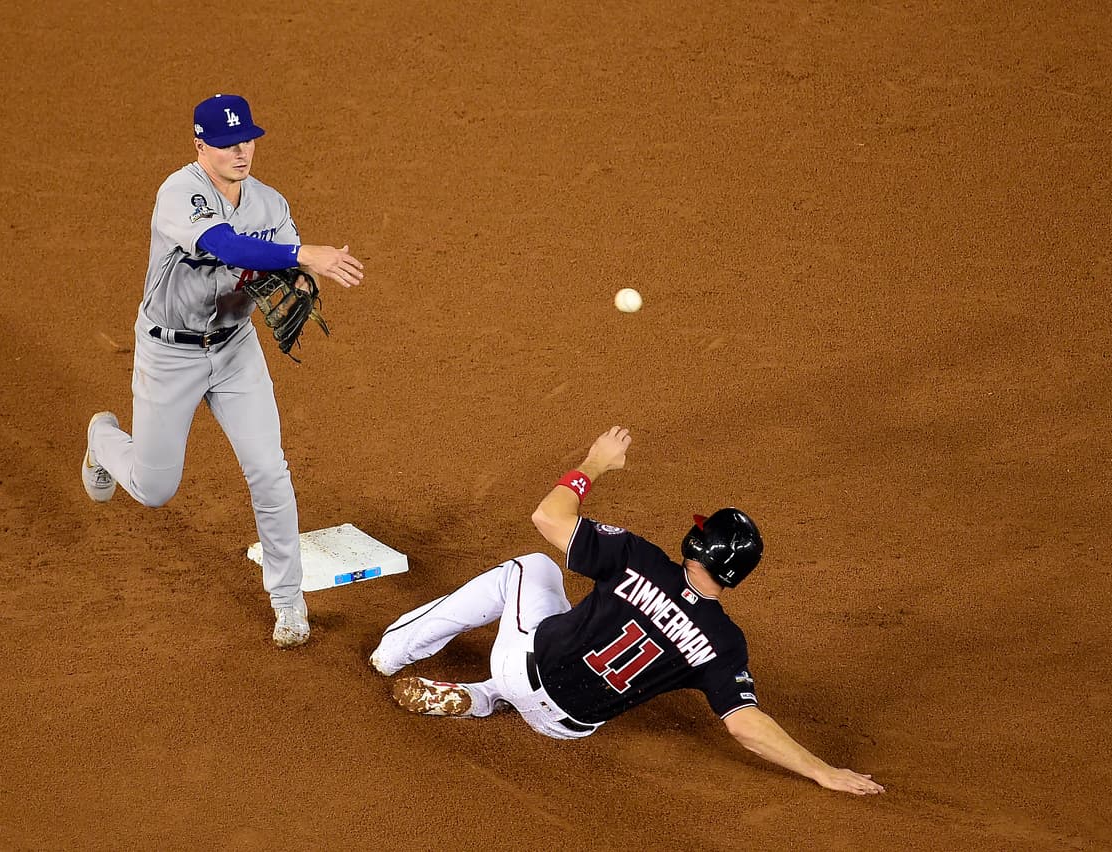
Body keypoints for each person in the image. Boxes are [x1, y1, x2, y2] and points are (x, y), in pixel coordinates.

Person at [369, 426, 884, 795]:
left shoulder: (640, 559)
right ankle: (481, 699)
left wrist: (595, 463)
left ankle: (391, 655)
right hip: (567, 727)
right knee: (569, 632)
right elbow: (745, 725)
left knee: (529, 570)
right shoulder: (726, 644)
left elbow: (547, 516)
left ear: (697, 546)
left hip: (523, 665)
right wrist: (822, 771)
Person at [81, 94, 364, 649]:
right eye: (228, 143)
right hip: (170, 355)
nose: (241, 152)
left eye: (248, 140)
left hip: (236, 351)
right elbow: (221, 243)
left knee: (270, 472)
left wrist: (301, 279)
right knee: (155, 488)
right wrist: (306, 255)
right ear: (200, 144)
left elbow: (283, 267)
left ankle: (288, 600)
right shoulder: (177, 192)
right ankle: (102, 439)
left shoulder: (270, 204)